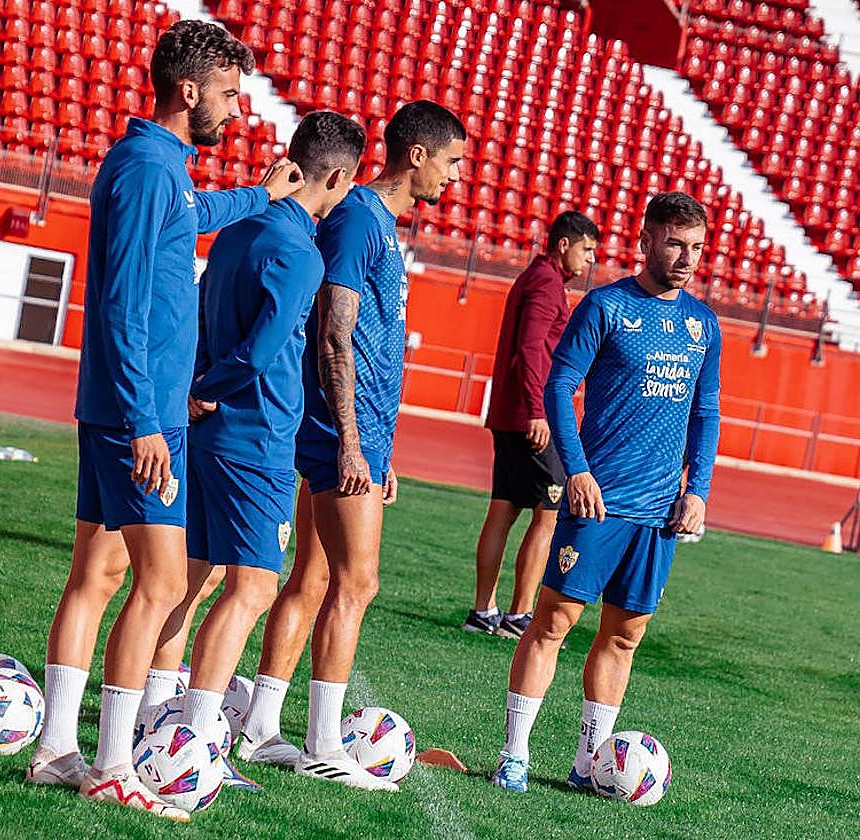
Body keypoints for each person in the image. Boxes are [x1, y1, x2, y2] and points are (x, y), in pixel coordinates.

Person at [25, 20, 303, 823]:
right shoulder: (149, 167)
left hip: (128, 407)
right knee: (164, 581)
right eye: (226, 94)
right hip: (136, 418)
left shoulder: (161, 165)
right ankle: (113, 761)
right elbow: (116, 305)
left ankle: (54, 751)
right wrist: (148, 421)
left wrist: (264, 194)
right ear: (188, 91)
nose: (234, 110)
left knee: (98, 576)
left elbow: (195, 213)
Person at [237, 101, 467, 791]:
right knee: (357, 582)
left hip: (357, 433)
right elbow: (334, 334)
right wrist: (353, 443)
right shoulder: (361, 219)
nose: (454, 178)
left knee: (310, 579)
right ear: (417, 156)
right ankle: (322, 744)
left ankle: (258, 728)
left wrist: (379, 447)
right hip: (341, 432)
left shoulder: (376, 224)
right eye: (451, 162)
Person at [146, 112, 367, 782]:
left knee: (193, 578)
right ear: (337, 178)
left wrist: (197, 387)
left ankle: (153, 717)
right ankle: (194, 741)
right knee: (251, 587)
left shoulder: (241, 227)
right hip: (257, 436)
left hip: (210, 435)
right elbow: (266, 349)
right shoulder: (302, 253)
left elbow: (203, 309)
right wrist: (211, 387)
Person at [491, 192, 721, 793]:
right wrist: (578, 472)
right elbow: (559, 385)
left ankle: (590, 763)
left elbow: (706, 413)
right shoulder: (606, 307)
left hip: (659, 516)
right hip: (598, 502)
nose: (685, 258)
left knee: (624, 634)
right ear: (645, 240)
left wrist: (697, 489)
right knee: (554, 622)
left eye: (696, 248)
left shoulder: (703, 324)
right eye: (674, 243)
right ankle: (514, 754)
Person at [464, 212, 600, 639]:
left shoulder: (533, 277)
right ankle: (519, 615)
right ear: (564, 244)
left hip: (510, 414)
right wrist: (537, 411)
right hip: (529, 416)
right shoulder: (547, 283)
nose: (590, 260)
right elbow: (530, 349)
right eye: (587, 249)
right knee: (548, 511)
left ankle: (482, 611)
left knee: (503, 508)